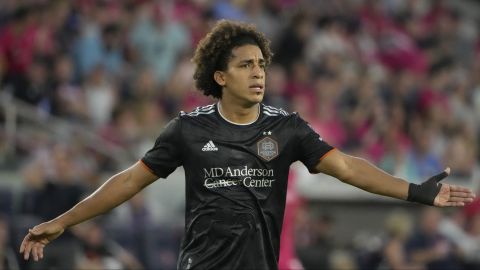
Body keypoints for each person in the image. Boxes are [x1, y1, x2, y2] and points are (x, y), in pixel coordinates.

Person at [19, 20, 475, 270]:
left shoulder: (288, 128)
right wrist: (63, 221)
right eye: (245, 65)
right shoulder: (187, 131)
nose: (259, 72)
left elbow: (350, 168)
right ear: (219, 76)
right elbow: (128, 182)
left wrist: (415, 191)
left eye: (262, 64)